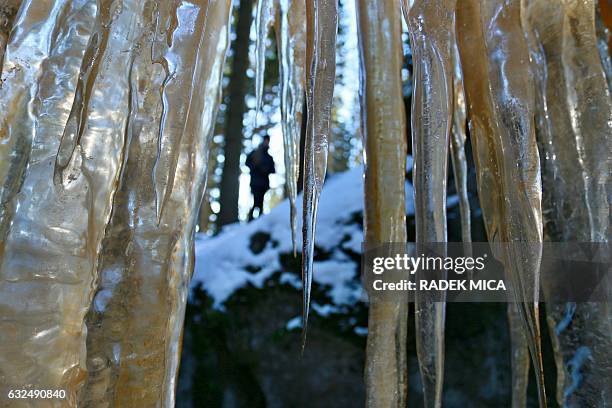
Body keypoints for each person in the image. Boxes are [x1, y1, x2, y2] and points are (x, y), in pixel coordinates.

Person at [245, 135, 275, 221]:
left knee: (260, 203)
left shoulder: (269, 157)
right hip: (255, 183)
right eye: (265, 140)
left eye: (267, 141)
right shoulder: (255, 153)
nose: (266, 142)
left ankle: (258, 223)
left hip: (264, 184)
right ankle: (250, 222)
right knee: (256, 203)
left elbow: (272, 170)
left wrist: (265, 169)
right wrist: (256, 167)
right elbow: (248, 163)